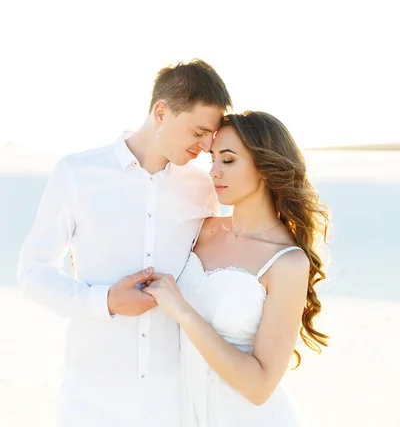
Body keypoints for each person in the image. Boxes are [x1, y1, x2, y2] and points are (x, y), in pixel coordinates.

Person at [17, 59, 232, 427]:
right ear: (161, 112)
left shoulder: (201, 189)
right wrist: (105, 301)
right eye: (199, 131)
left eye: (211, 135)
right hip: (90, 397)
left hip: (173, 399)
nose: (207, 145)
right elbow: (33, 273)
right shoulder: (77, 174)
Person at [143, 111, 329, 427]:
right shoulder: (198, 229)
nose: (214, 172)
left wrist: (184, 312)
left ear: (266, 168)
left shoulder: (286, 262)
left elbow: (259, 387)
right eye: (212, 160)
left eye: (228, 161)